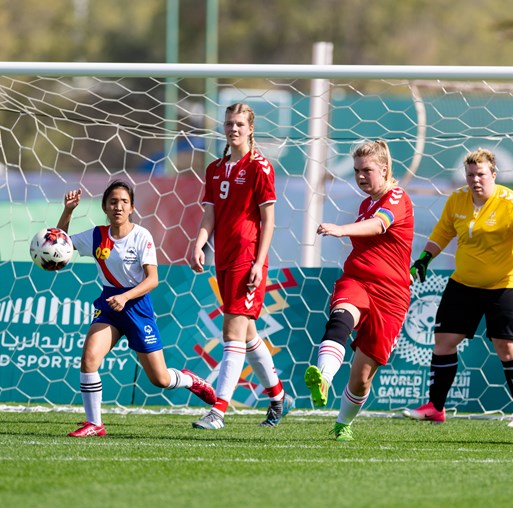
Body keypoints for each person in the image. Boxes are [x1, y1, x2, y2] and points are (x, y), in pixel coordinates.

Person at [403, 148, 513, 428]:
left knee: (507, 346)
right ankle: (435, 408)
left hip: (504, 284)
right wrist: (424, 259)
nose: (475, 180)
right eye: (470, 175)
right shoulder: (457, 200)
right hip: (464, 283)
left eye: (480, 174)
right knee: (444, 341)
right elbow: (443, 231)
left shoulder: (510, 202)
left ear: (493, 175)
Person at [57, 181, 216, 438]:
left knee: (160, 379)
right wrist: (68, 211)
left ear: (131, 207)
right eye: (112, 202)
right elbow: (59, 246)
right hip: (109, 306)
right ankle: (94, 424)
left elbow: (153, 279)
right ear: (105, 207)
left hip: (137, 307)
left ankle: (190, 380)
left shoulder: (141, 236)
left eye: (123, 202)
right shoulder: (97, 235)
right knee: (89, 360)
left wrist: (126, 296)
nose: (118, 206)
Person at [189, 102, 294, 430]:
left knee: (232, 332)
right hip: (224, 258)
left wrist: (259, 263)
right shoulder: (215, 169)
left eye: (239, 124)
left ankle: (217, 411)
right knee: (247, 335)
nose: (233, 129)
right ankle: (278, 398)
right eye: (229, 124)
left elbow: (269, 220)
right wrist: (199, 243)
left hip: (248, 260)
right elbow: (210, 214)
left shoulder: (261, 167)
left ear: (251, 129)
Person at [304, 140, 414, 441]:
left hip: (391, 296)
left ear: (385, 169)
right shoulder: (366, 203)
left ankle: (342, 424)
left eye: (367, 170)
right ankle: (323, 378)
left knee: (362, 378)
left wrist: (341, 229)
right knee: (340, 320)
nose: (361, 176)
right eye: (356, 171)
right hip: (357, 280)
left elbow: (380, 227)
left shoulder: (397, 196)